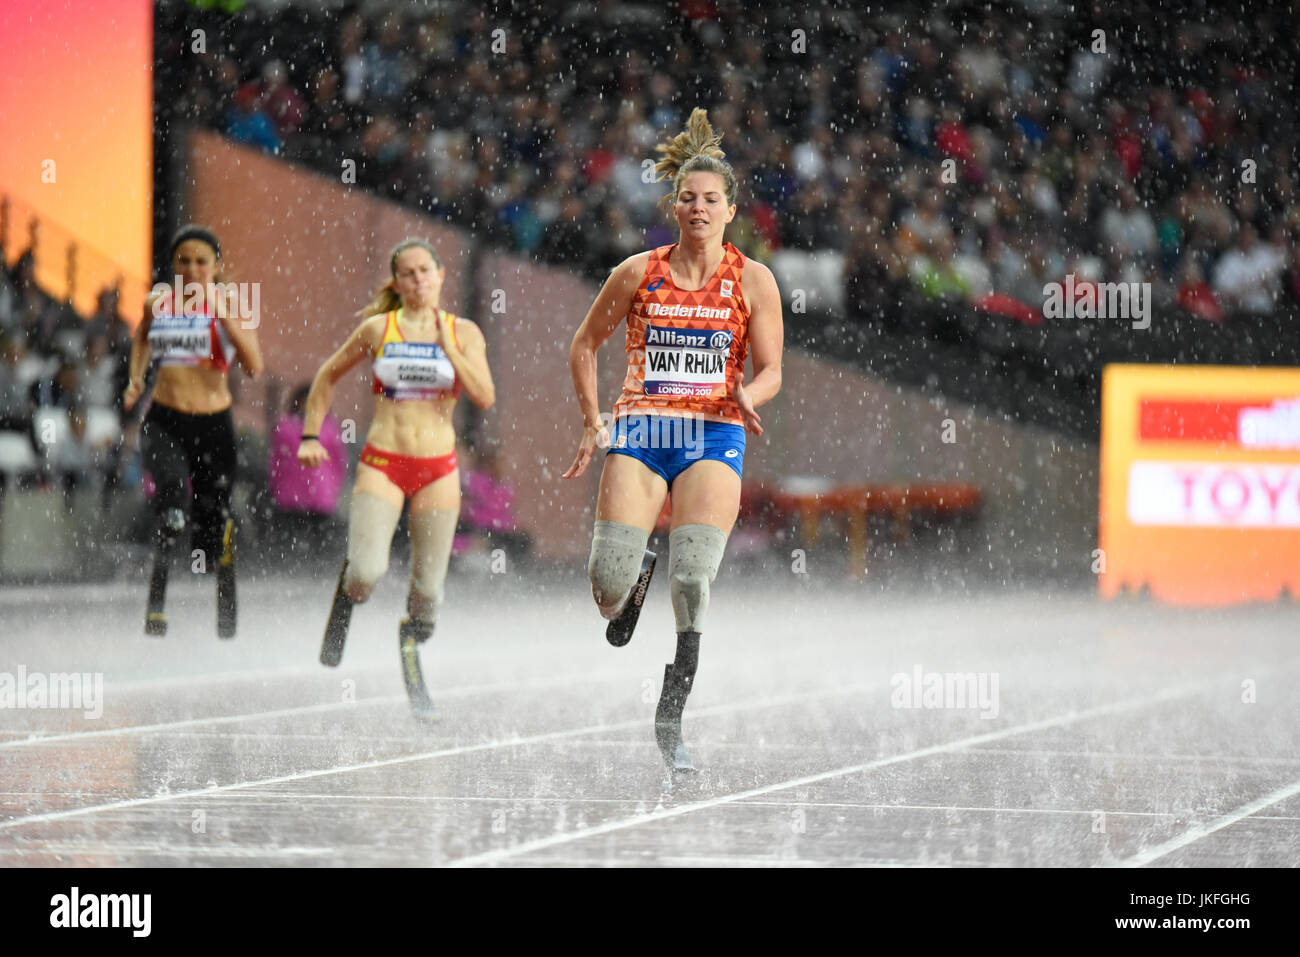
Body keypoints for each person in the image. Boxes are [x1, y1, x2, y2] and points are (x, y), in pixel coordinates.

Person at [563, 109, 784, 772]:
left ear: (731, 210)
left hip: (715, 431)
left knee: (694, 577)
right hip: (642, 428)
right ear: (673, 206)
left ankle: (672, 709)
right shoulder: (636, 272)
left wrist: (753, 394)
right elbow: (582, 345)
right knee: (605, 589)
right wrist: (590, 418)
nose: (699, 208)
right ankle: (632, 589)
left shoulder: (753, 280)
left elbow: (772, 369)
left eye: (712, 199)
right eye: (688, 198)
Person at [299, 238, 494, 717]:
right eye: (407, 274)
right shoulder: (378, 329)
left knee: (429, 593)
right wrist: (309, 436)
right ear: (396, 282)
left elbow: (484, 395)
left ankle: (411, 633)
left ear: (440, 275)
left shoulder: (463, 332)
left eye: (425, 270)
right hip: (384, 462)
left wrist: (450, 348)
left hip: (438, 469)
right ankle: (350, 587)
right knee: (368, 573)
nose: (418, 280)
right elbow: (326, 375)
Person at [124, 225, 264, 637]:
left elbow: (255, 365)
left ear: (217, 266)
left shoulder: (231, 303)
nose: (192, 269)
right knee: (172, 506)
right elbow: (142, 338)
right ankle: (156, 606)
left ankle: (225, 599)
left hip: (212, 425)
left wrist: (220, 311)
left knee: (211, 524)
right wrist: (136, 378)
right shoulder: (158, 302)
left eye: (202, 261)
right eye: (183, 261)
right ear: (173, 264)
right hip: (165, 420)